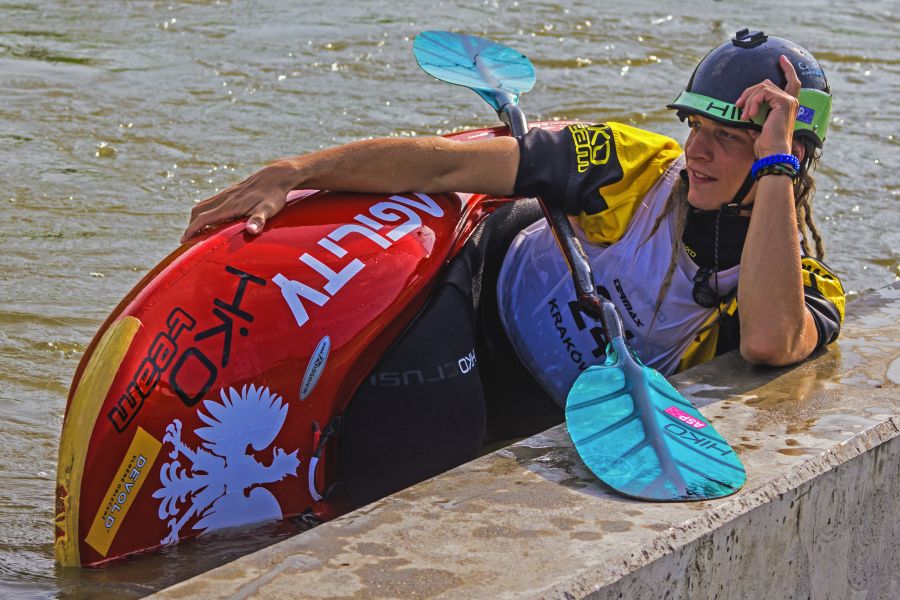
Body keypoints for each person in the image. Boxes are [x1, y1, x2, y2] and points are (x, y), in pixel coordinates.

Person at [182, 30, 845, 508]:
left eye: (726, 139)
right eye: (692, 125)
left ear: (784, 156)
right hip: (473, 309)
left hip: (553, 398)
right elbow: (450, 166)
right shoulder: (631, 163)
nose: (694, 151)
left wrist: (774, 163)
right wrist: (299, 171)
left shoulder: (808, 286)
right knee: (441, 414)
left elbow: (767, 340)